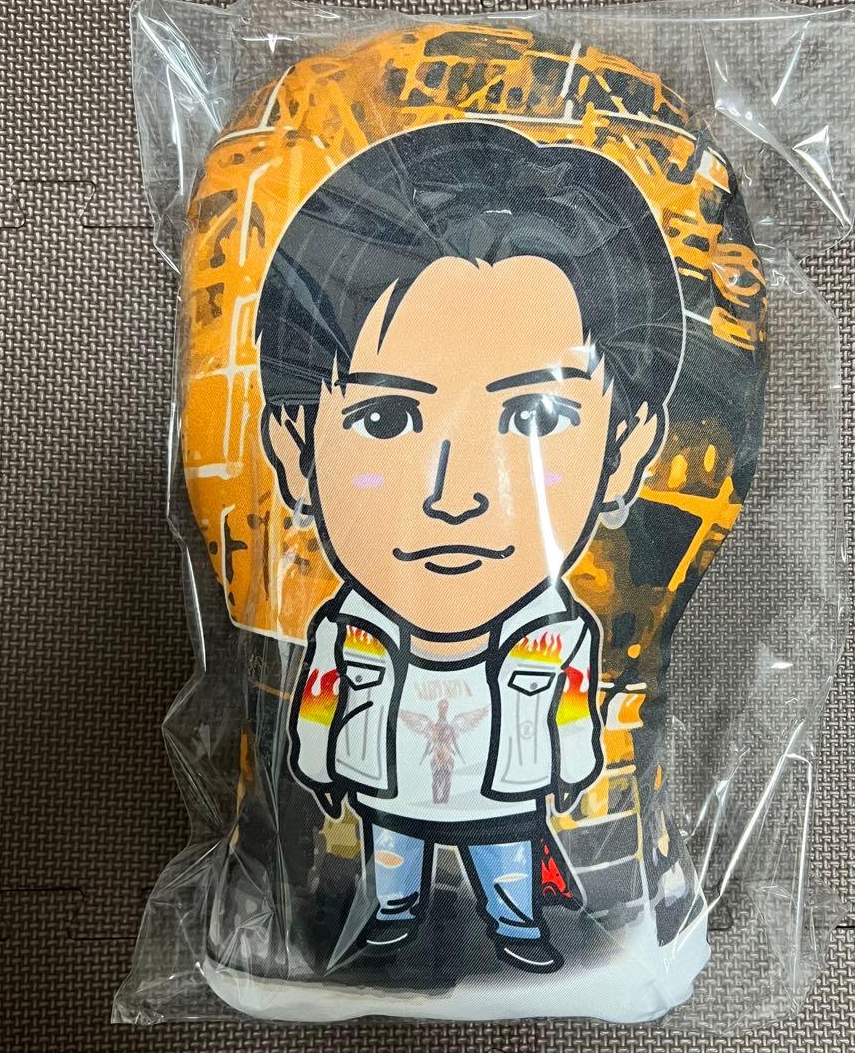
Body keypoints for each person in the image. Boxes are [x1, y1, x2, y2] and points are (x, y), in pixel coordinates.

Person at [256, 121, 685, 974]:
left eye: (534, 417)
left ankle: (516, 926)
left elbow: (570, 708)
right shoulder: (348, 632)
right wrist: (315, 758)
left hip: (503, 789)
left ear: (625, 451)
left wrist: (571, 763)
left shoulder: (554, 638)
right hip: (389, 785)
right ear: (297, 451)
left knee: (505, 857)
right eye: (387, 419)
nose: (456, 494)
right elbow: (321, 699)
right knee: (392, 853)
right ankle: (392, 916)